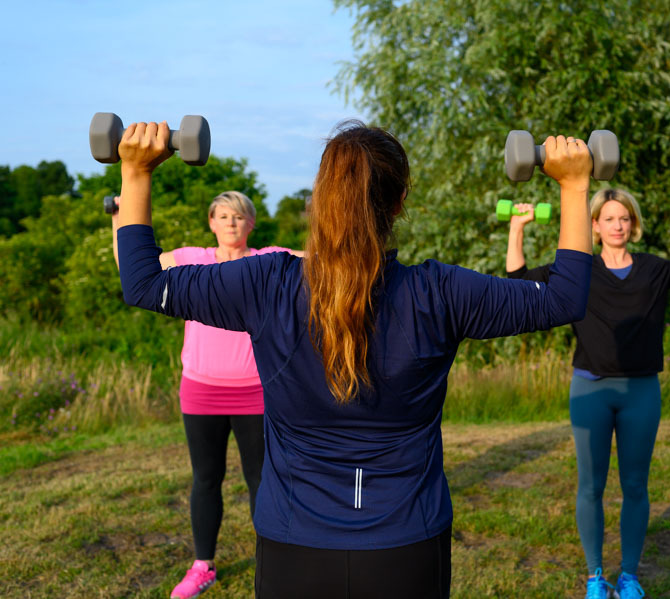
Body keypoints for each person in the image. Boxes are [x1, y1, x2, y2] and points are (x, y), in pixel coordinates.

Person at [114, 119, 596, 599]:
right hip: (406, 547)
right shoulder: (441, 292)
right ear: (400, 201)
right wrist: (574, 185)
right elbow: (564, 299)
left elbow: (143, 283)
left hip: (293, 548)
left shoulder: (265, 284)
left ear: (321, 200)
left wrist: (136, 173)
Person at [505, 188, 670, 599]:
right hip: (590, 391)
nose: (618, 225)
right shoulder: (579, 271)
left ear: (633, 225)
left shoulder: (654, 270)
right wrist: (518, 227)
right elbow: (518, 280)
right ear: (594, 226)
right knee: (591, 486)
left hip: (641, 391)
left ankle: (630, 577)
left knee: (636, 486)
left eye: (624, 218)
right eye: (609, 218)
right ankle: (595, 578)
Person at [111, 191, 303, 599]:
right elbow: (131, 269)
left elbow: (326, 260)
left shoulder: (269, 259)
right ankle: (203, 566)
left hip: (256, 392)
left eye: (239, 216)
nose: (231, 222)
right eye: (222, 216)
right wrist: (119, 215)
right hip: (201, 391)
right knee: (205, 478)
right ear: (211, 223)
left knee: (262, 480)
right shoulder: (190, 259)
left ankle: (273, 562)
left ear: (251, 224)